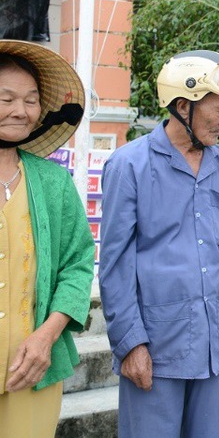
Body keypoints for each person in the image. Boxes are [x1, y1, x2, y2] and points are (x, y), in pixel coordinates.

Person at [99, 50, 219, 437]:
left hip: (213, 346)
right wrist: (131, 343)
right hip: (155, 348)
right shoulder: (129, 166)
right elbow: (115, 264)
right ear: (183, 106)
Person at [0, 40, 94, 437]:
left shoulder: (53, 182)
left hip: (30, 368)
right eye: (5, 98)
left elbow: (78, 263)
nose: (20, 110)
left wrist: (46, 336)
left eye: (31, 100)